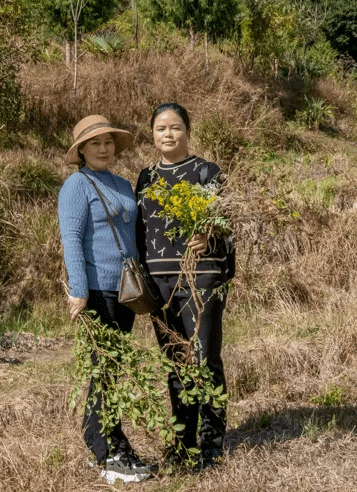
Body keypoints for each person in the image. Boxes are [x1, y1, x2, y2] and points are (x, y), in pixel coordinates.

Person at [135, 103, 235, 471]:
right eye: (161, 128)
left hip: (202, 279)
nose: (168, 134)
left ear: (187, 131)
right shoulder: (145, 178)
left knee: (204, 358)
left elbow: (232, 223)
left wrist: (211, 236)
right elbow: (140, 232)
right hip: (161, 283)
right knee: (175, 361)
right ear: (152, 135)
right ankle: (183, 441)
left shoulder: (207, 172)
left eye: (175, 127)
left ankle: (212, 444)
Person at [58, 114, 154, 484]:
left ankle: (102, 441)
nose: (103, 148)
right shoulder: (75, 186)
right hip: (97, 290)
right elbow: (72, 241)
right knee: (104, 369)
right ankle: (107, 451)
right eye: (95, 143)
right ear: (81, 150)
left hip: (126, 290)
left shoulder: (122, 184)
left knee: (111, 370)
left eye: (108, 142)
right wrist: (79, 291)